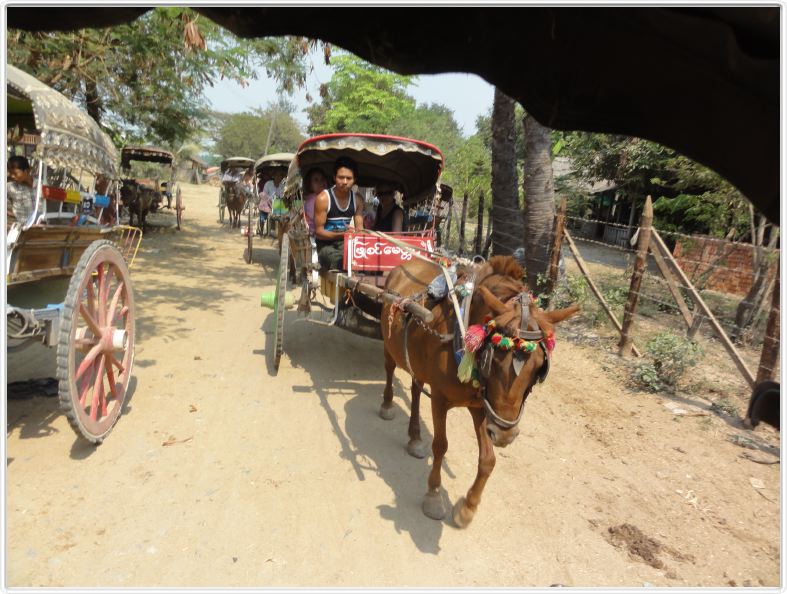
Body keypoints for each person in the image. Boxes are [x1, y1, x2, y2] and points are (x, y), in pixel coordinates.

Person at [314, 156, 364, 271]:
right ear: (334, 177)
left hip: (347, 244)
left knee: (366, 261)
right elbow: (319, 232)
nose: (345, 182)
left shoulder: (358, 201)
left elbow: (360, 230)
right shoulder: (323, 199)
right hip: (326, 246)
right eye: (341, 178)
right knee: (341, 261)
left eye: (349, 178)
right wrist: (341, 235)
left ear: (354, 179)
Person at [6, 155, 36, 228]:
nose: (12, 176)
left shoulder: (41, 185)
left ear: (27, 171)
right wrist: (13, 215)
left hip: (40, 227)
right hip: (21, 228)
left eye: (15, 173)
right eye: (10, 173)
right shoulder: (10, 187)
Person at [302, 167, 328, 234]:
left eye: (322, 179)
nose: (321, 182)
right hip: (313, 233)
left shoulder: (324, 197)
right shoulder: (313, 200)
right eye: (316, 180)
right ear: (310, 185)